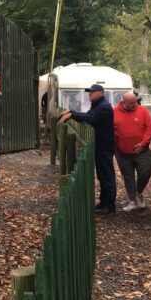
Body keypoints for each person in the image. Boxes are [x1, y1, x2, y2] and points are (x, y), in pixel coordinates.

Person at [59, 83, 116, 214]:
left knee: (107, 176)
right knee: (102, 176)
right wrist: (72, 112)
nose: (90, 94)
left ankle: (109, 205)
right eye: (89, 92)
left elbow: (91, 119)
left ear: (101, 93)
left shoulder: (104, 107)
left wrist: (72, 115)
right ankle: (103, 202)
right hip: (100, 146)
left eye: (92, 91)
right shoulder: (97, 106)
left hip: (104, 147)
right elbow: (88, 115)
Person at [113, 91, 151, 211]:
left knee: (145, 172)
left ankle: (139, 192)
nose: (135, 104)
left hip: (142, 150)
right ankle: (133, 200)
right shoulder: (114, 112)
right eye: (132, 103)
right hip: (122, 152)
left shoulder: (142, 111)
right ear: (124, 102)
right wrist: (115, 146)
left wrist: (143, 143)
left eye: (136, 101)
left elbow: (150, 129)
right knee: (128, 177)